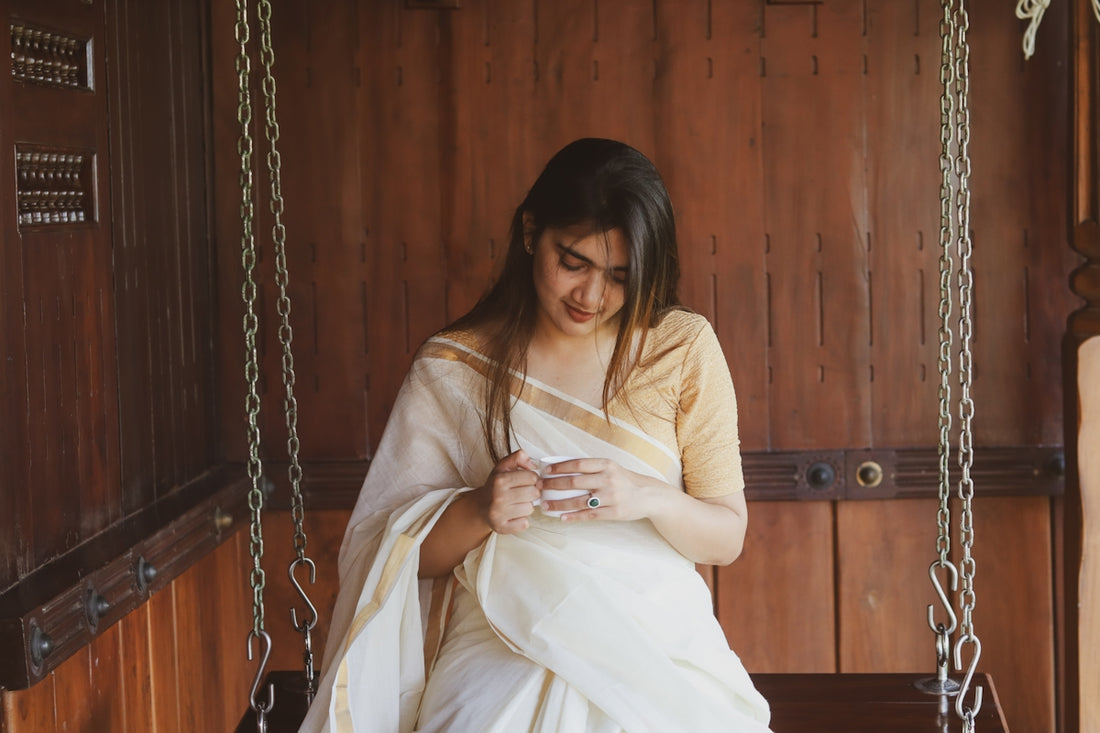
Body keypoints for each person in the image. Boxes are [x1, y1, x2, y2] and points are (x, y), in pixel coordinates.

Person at [299, 138, 772, 732]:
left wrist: (648, 496)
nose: (591, 297)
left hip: (653, 641)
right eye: (573, 262)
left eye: (620, 276)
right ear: (530, 234)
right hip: (502, 637)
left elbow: (726, 537)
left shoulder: (681, 348)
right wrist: (479, 509)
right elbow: (398, 558)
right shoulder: (456, 368)